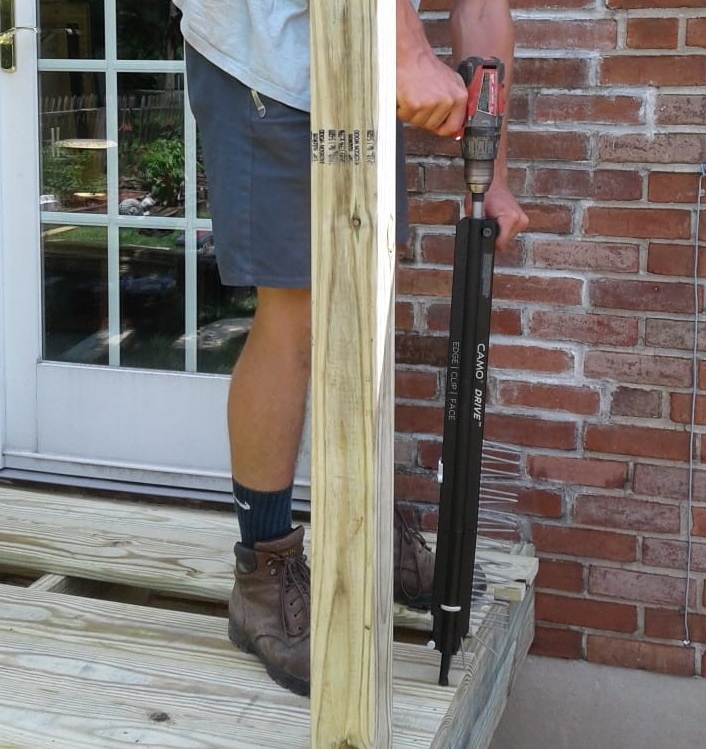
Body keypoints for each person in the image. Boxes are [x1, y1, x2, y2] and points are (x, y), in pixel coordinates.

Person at [174, 0, 529, 696]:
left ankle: (362, 526)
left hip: (360, 61)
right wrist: (408, 50)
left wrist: (494, 171)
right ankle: (262, 575)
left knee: (366, 292)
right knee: (297, 309)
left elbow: (482, 8)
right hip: (267, 53)